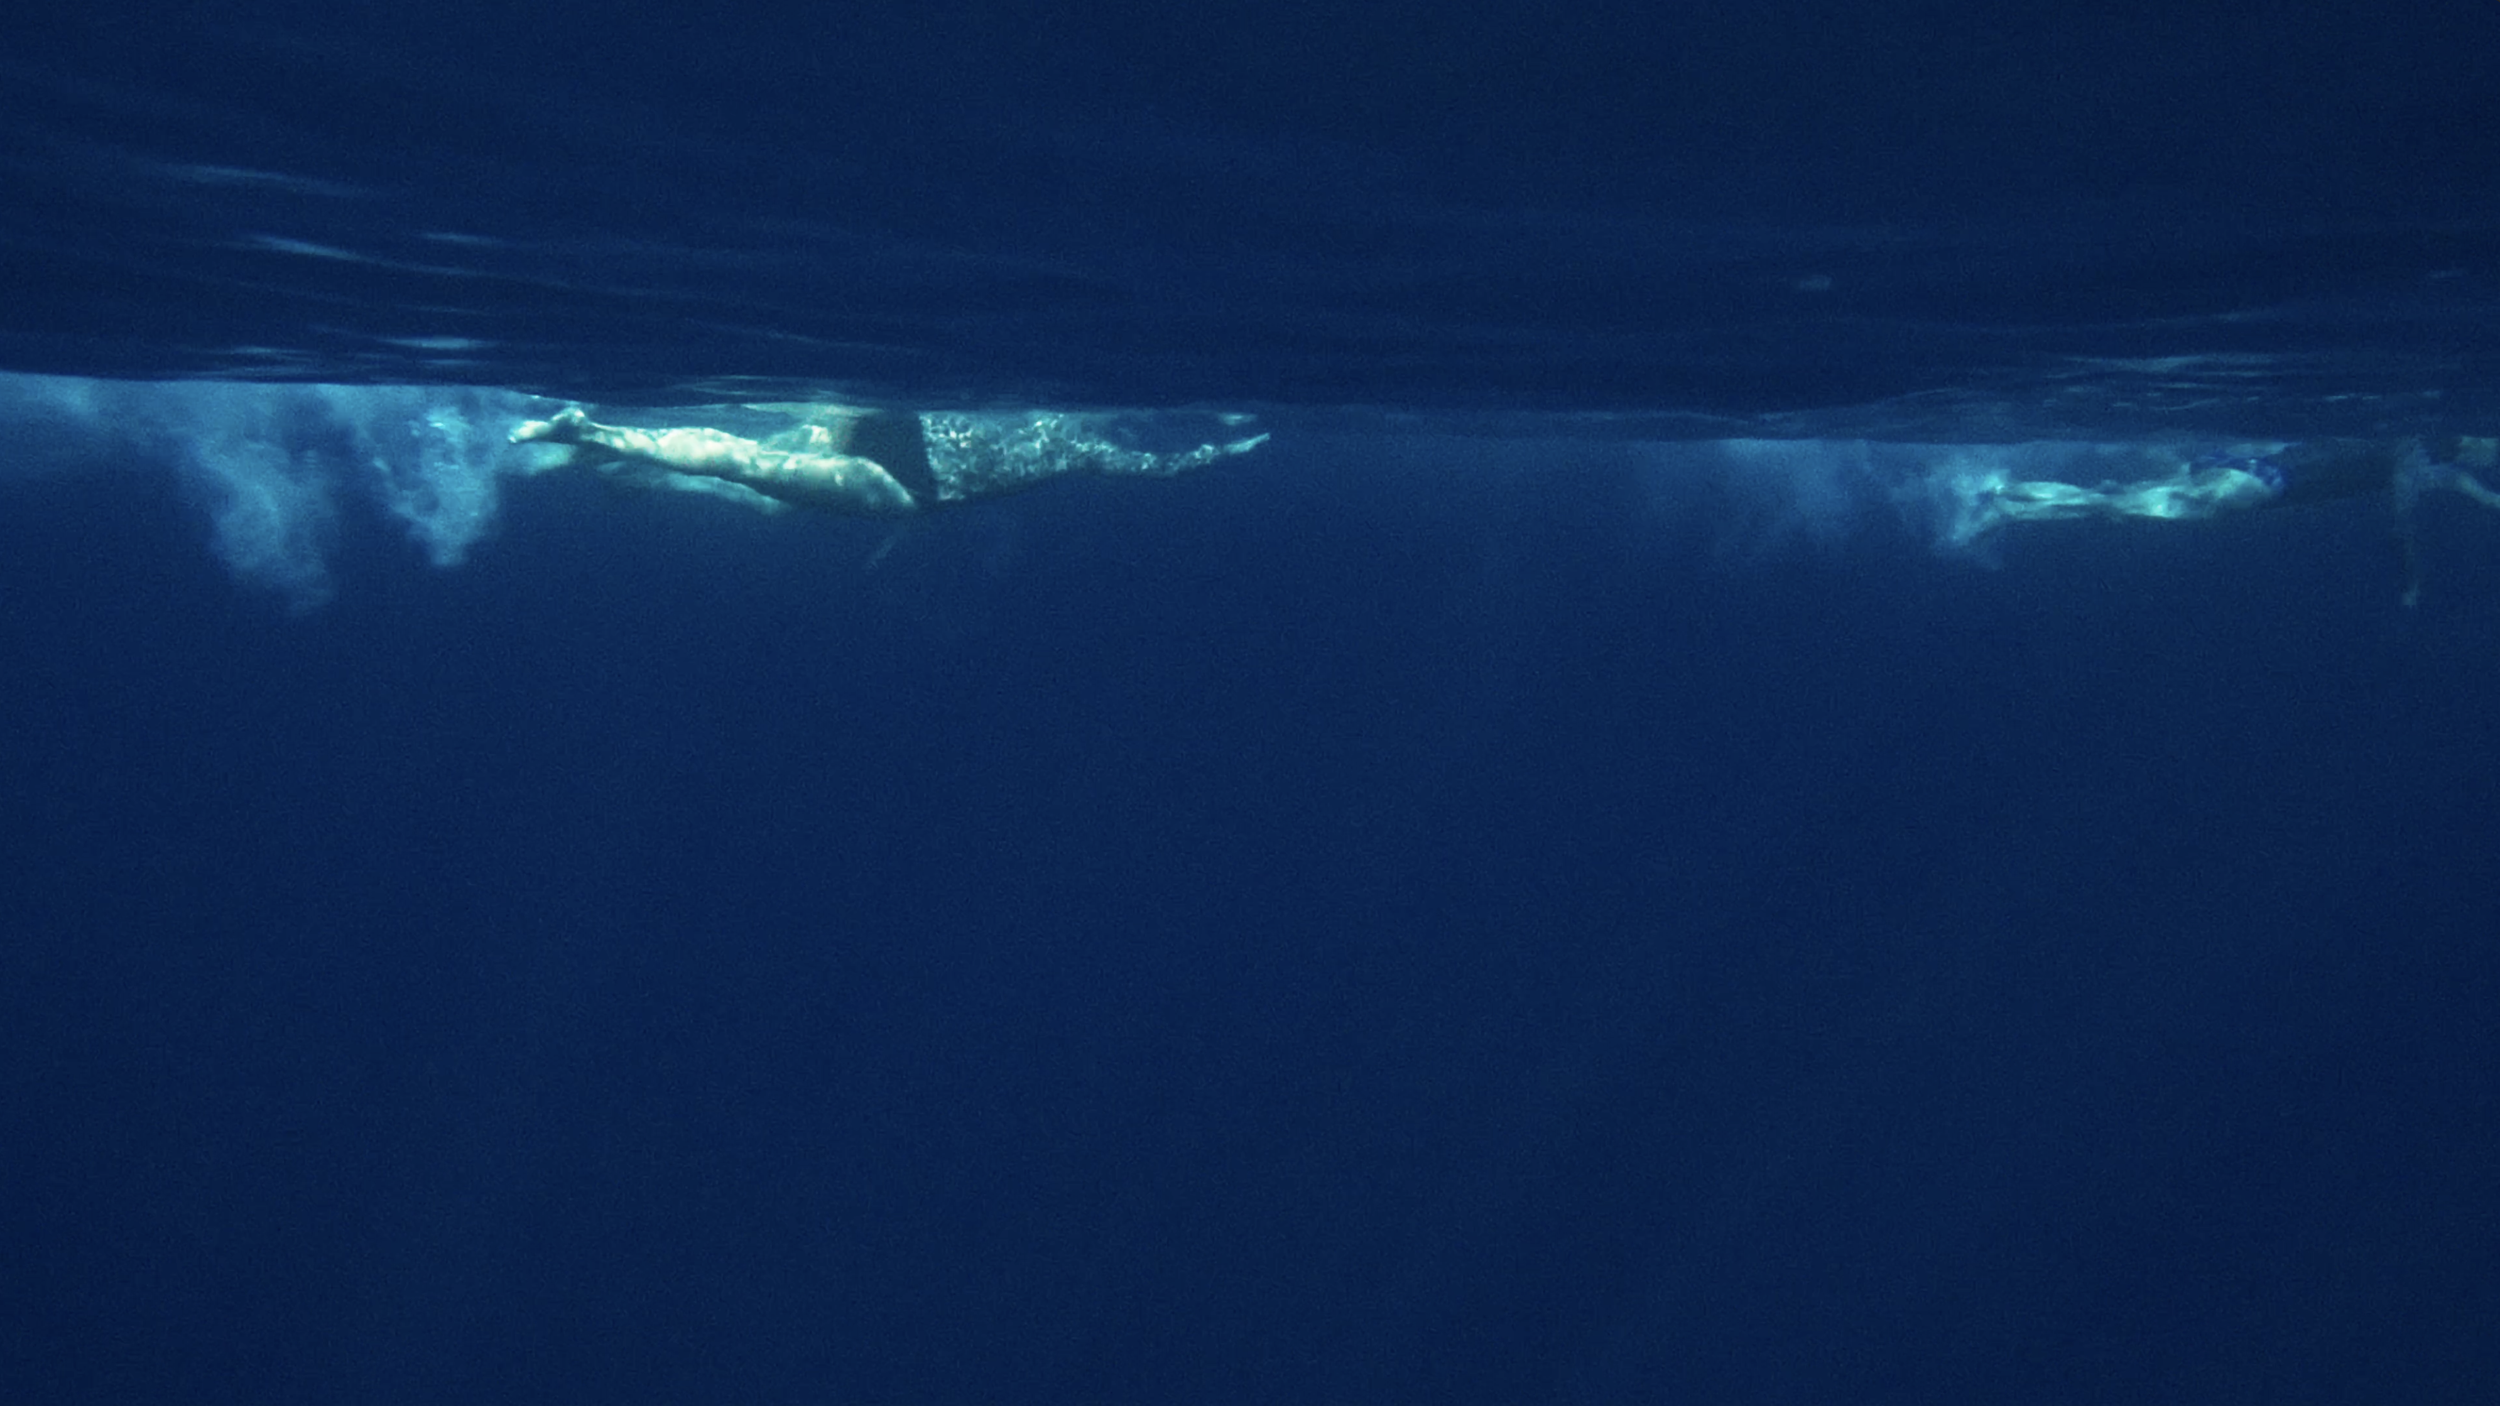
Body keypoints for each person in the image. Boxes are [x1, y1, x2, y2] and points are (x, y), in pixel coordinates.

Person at [511, 402, 1271, 516]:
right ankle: (598, 444)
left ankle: (600, 441)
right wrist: (1224, 450)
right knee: (743, 471)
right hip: (909, 487)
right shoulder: (1077, 440)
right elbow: (1157, 469)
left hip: (893, 444)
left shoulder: (998, 406)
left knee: (742, 467)